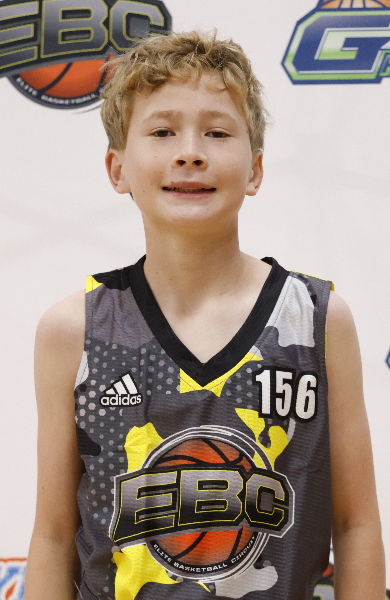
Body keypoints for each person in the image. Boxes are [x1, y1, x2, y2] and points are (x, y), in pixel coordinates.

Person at [24, 30, 385, 600]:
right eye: (162, 132)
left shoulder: (316, 320)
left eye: (217, 133)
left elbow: (355, 523)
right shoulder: (75, 331)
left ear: (255, 169)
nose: (190, 152)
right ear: (117, 169)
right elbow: (51, 537)